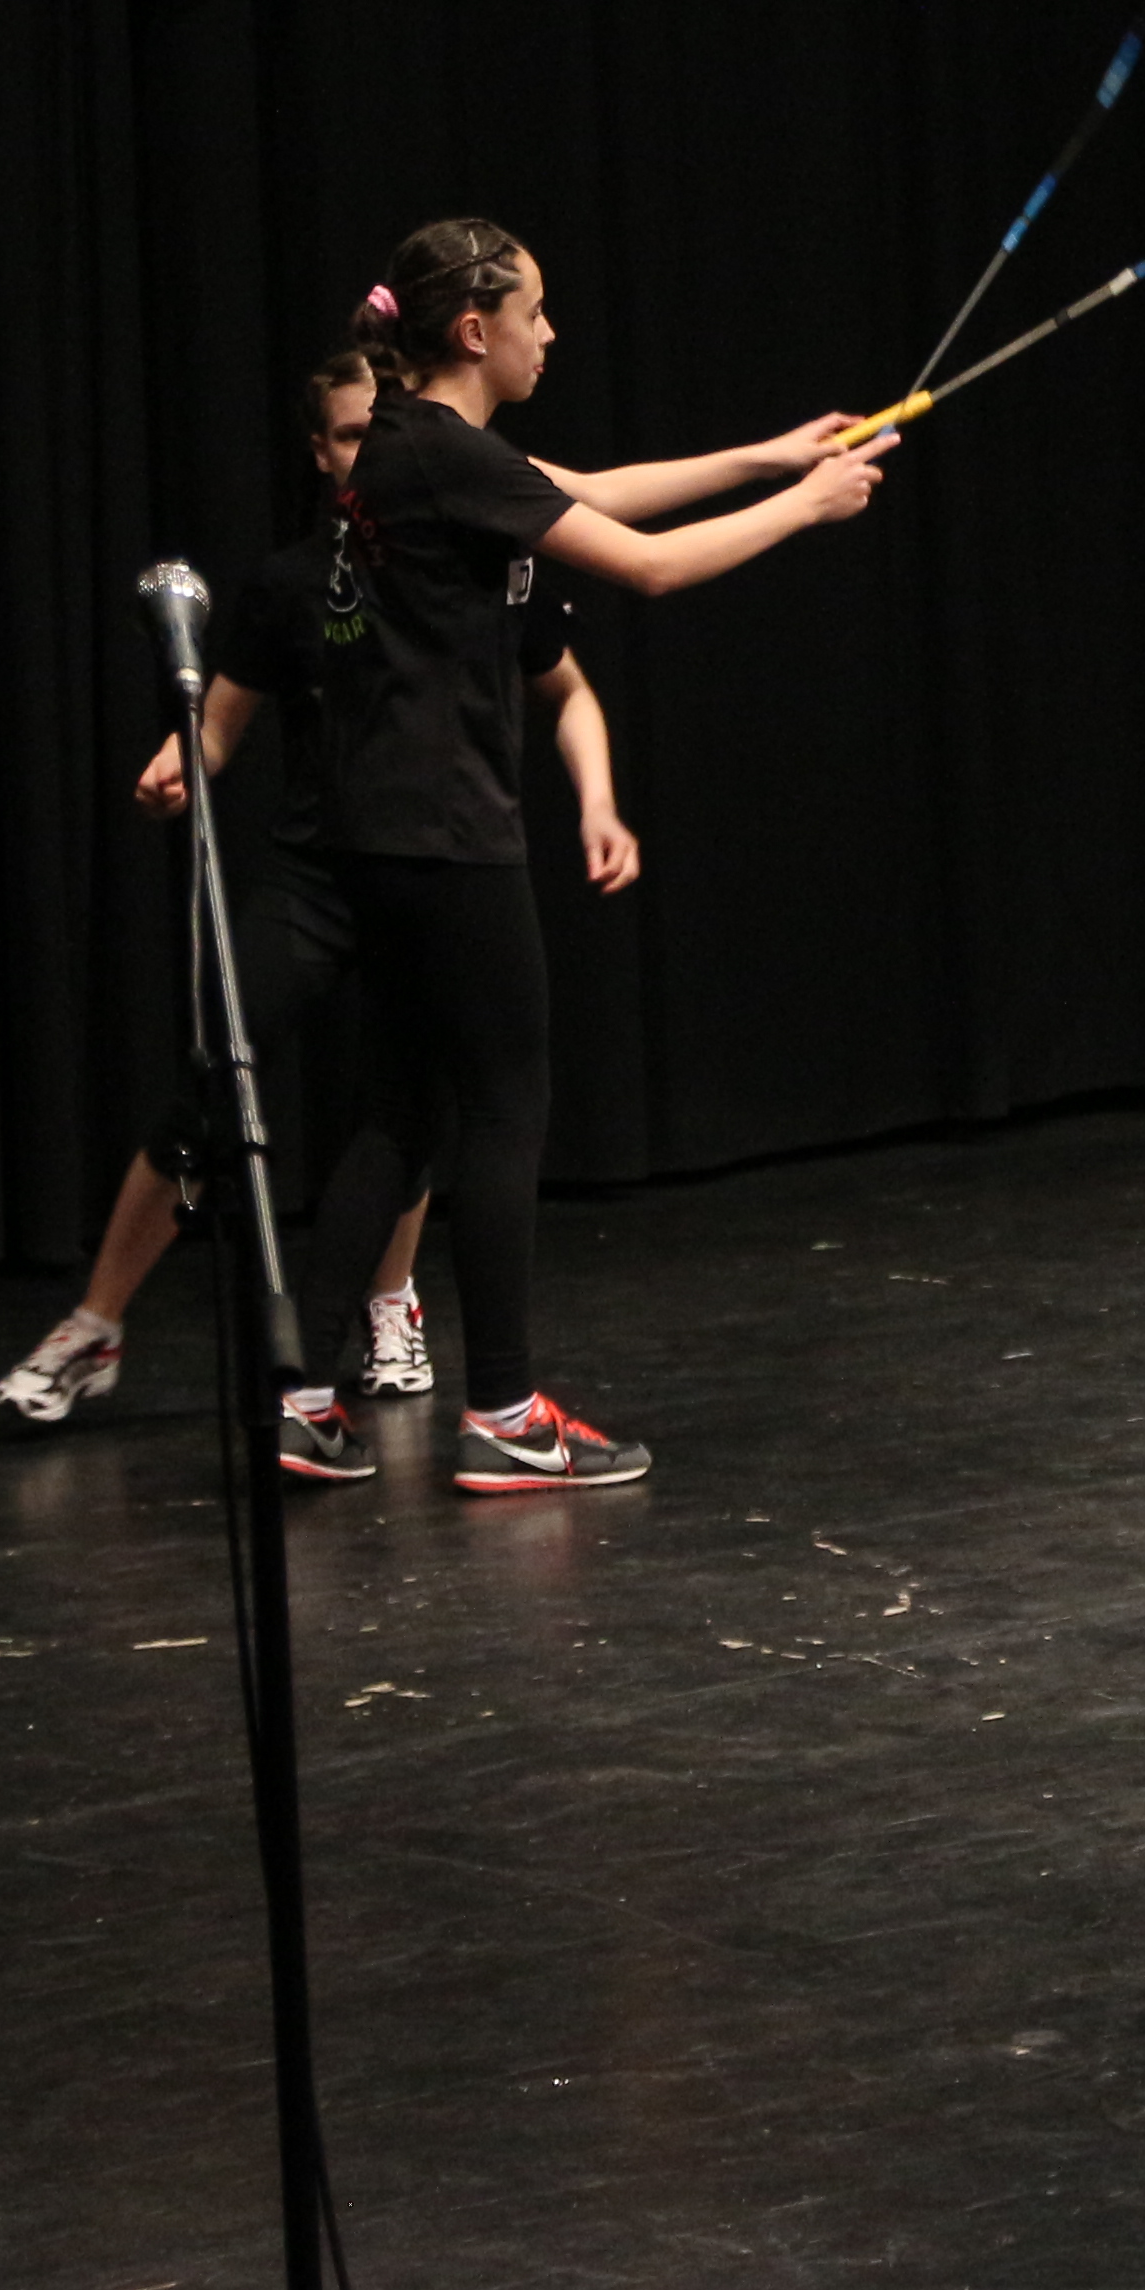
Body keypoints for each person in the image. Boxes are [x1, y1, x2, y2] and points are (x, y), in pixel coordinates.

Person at [292, 218, 890, 1490]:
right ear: (476, 331)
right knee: (507, 1104)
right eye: (536, 313)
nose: (551, 334)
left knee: (403, 1108)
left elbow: (593, 491)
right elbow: (650, 569)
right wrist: (807, 507)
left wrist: (772, 453)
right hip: (449, 833)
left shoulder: (412, 443)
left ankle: (297, 1399)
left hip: (382, 831)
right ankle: (505, 1415)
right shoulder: (444, 452)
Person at [0, 335, 450, 1433]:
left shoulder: (449, 560)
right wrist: (180, 761)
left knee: (408, 1092)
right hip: (314, 875)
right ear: (319, 452)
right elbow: (220, 726)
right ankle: (97, 1324)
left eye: (381, 430)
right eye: (349, 435)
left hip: (425, 866)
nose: (367, 451)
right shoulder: (289, 584)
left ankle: (392, 1302)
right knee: (216, 1079)